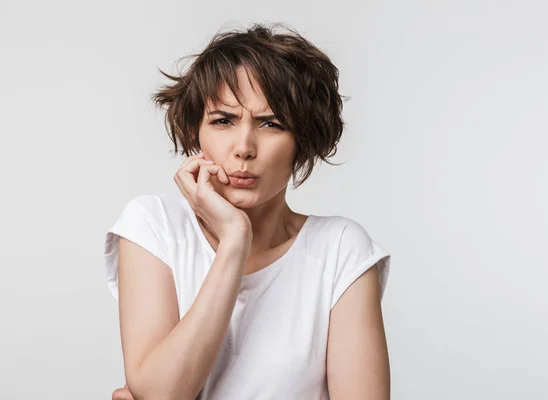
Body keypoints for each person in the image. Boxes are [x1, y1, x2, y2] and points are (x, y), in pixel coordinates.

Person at [105, 22, 391, 400]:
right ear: (196, 132)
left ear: (301, 142)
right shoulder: (154, 225)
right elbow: (162, 393)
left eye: (271, 124)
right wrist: (234, 243)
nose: (244, 147)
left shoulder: (341, 250)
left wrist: (234, 237)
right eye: (223, 121)